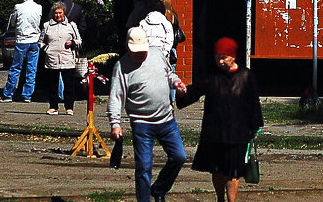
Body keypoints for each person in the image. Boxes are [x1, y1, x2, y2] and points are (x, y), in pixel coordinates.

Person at [177, 37, 264, 202]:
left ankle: (231, 201)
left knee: (234, 171)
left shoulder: (246, 76)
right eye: (217, 58)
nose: (220, 61)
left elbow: (253, 102)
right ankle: (220, 198)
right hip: (214, 132)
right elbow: (195, 92)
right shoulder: (211, 76)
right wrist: (182, 94)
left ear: (233, 57)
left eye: (224, 57)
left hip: (238, 133)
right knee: (216, 169)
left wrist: (256, 125)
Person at [108, 26, 188, 202]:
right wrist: (115, 123)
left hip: (167, 119)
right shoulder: (121, 67)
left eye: (142, 50)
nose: (140, 54)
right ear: (128, 48)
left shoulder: (157, 53)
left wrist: (176, 83)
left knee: (179, 156)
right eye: (135, 51)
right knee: (144, 167)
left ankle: (159, 189)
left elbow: (168, 74)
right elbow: (116, 97)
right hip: (141, 123)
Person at [0, 0, 42, 102]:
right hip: (34, 40)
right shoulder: (39, 7)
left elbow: (12, 22)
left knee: (16, 68)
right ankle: (27, 95)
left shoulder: (18, 7)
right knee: (31, 69)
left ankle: (8, 94)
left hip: (22, 40)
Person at [38, 2, 82, 115]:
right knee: (52, 84)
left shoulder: (71, 25)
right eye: (56, 13)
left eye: (60, 13)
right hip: (52, 60)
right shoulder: (47, 25)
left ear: (64, 13)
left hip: (67, 59)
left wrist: (72, 43)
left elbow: (79, 41)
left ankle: (69, 108)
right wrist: (46, 49)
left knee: (69, 85)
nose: (58, 15)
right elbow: (40, 42)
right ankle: (53, 107)